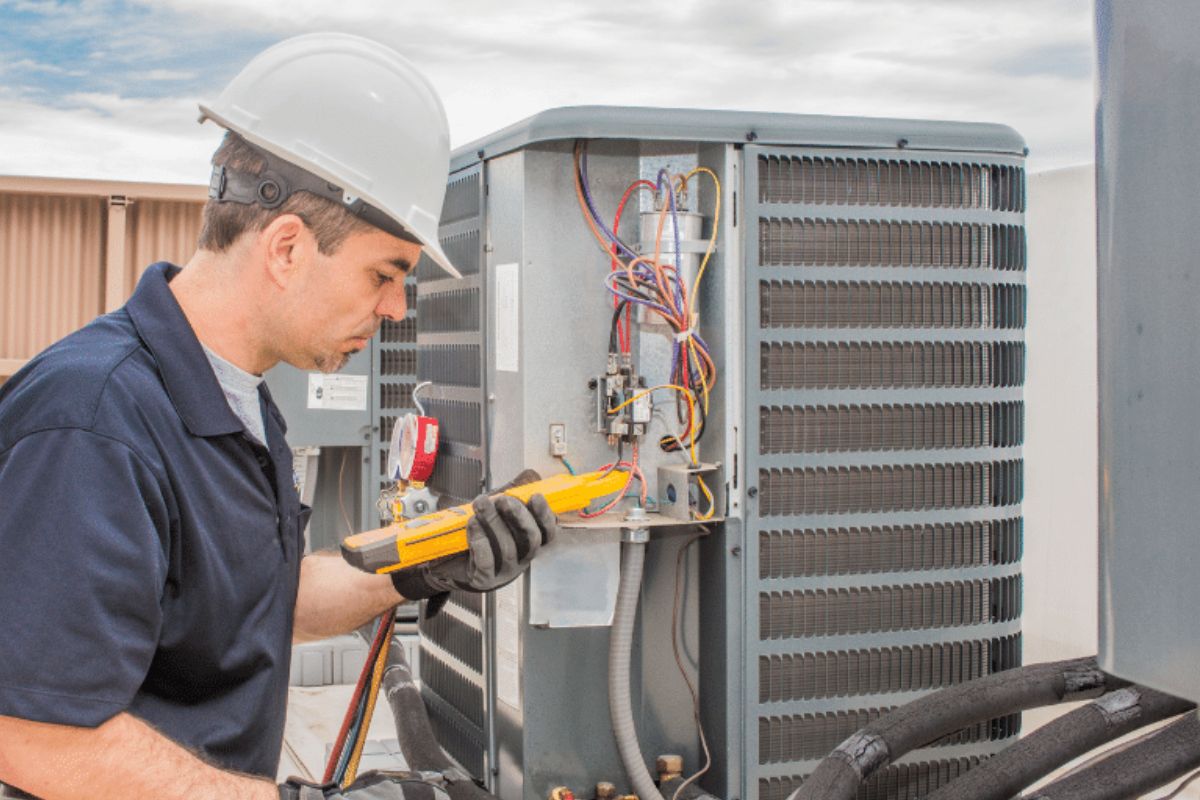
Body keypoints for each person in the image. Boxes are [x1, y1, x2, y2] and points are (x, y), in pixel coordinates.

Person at [0, 33, 558, 800]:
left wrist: (429, 562)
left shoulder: (238, 399)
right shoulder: (93, 421)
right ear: (288, 247)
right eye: (384, 273)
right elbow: (33, 735)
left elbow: (263, 601)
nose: (396, 308)